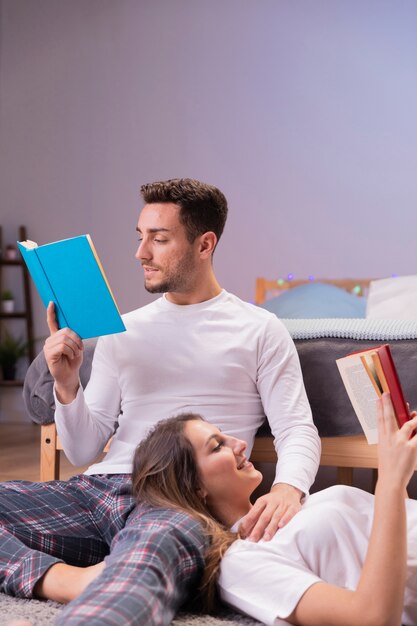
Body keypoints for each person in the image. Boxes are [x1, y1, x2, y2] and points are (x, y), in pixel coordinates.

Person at [0, 178, 319, 623]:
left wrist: (289, 488)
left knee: (142, 567)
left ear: (204, 244)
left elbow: (296, 427)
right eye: (140, 237)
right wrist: (68, 387)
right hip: (98, 491)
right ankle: (61, 579)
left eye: (159, 239)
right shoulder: (122, 329)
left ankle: (97, 584)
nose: (141, 253)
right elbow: (81, 450)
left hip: (180, 496)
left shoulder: (260, 329)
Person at [131, 395, 417, 626]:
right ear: (194, 487)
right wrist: (390, 482)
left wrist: (393, 461)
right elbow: (372, 618)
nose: (241, 444)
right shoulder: (240, 564)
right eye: (218, 446)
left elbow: (390, 533)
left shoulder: (292, 505)